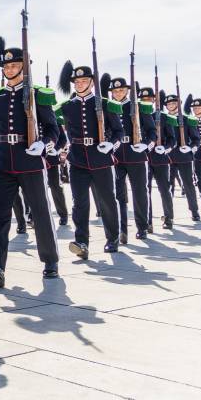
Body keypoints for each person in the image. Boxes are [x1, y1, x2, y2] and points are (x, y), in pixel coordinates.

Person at [0, 37, 60, 287]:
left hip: (31, 161)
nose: (9, 70)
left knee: (41, 212)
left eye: (14, 66)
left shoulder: (38, 95)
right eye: (6, 66)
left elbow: (53, 130)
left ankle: (50, 260)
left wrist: (43, 145)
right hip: (4, 162)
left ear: (25, 67)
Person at [57, 62, 124, 259]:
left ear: (92, 83)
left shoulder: (104, 104)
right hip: (77, 159)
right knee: (80, 203)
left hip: (100, 158)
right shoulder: (68, 107)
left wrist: (111, 144)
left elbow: (119, 132)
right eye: (76, 81)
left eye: (84, 80)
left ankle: (112, 238)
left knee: (107, 201)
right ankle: (82, 242)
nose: (79, 84)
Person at [105, 77, 157, 240]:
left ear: (127, 90)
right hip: (116, 155)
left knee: (140, 192)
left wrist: (146, 145)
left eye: (121, 90)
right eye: (115, 91)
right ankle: (122, 229)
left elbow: (152, 132)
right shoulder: (108, 108)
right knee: (118, 194)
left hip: (136, 155)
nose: (118, 93)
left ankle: (142, 226)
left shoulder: (140, 107)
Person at [164, 94, 201, 221]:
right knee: (168, 186)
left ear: (178, 104)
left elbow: (196, 139)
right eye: (169, 104)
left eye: (173, 103)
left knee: (188, 184)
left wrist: (190, 147)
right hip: (167, 156)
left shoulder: (187, 119)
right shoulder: (164, 119)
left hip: (184, 156)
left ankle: (194, 211)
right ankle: (168, 215)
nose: (171, 106)